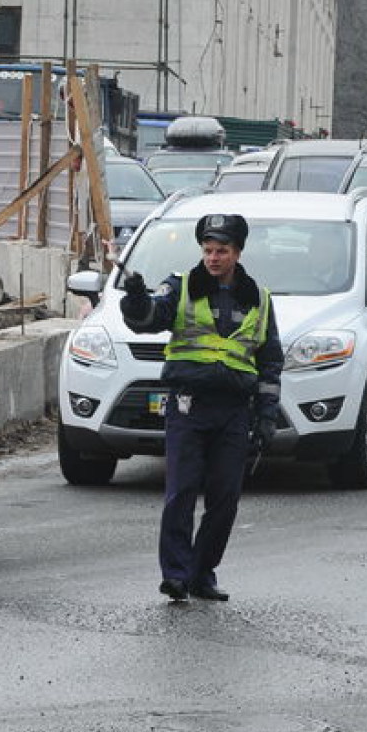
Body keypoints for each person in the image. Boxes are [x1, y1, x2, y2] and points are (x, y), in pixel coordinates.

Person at [119, 213, 283, 602]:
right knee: (181, 492)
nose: (213, 258)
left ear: (237, 253)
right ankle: (175, 575)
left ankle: (201, 573)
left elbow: (270, 361)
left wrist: (266, 416)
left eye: (221, 251)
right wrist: (137, 297)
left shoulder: (259, 298)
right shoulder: (181, 287)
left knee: (225, 499)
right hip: (189, 406)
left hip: (233, 411)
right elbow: (146, 321)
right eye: (208, 250)